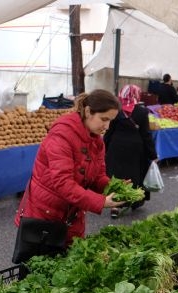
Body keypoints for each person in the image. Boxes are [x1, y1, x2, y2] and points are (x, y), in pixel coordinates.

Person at [13, 89, 125, 246]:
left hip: (72, 216)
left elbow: (97, 176)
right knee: (38, 266)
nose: (107, 126)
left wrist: (113, 186)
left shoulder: (97, 142)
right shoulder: (62, 135)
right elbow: (63, 183)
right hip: (44, 216)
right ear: (87, 111)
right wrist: (100, 202)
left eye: (110, 121)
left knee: (69, 263)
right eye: (103, 119)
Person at [104, 84, 158, 218]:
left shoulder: (115, 110)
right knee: (134, 175)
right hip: (135, 149)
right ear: (136, 95)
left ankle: (115, 206)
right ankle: (133, 201)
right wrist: (153, 154)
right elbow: (146, 135)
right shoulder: (142, 111)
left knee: (115, 176)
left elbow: (109, 131)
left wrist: (103, 147)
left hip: (116, 147)